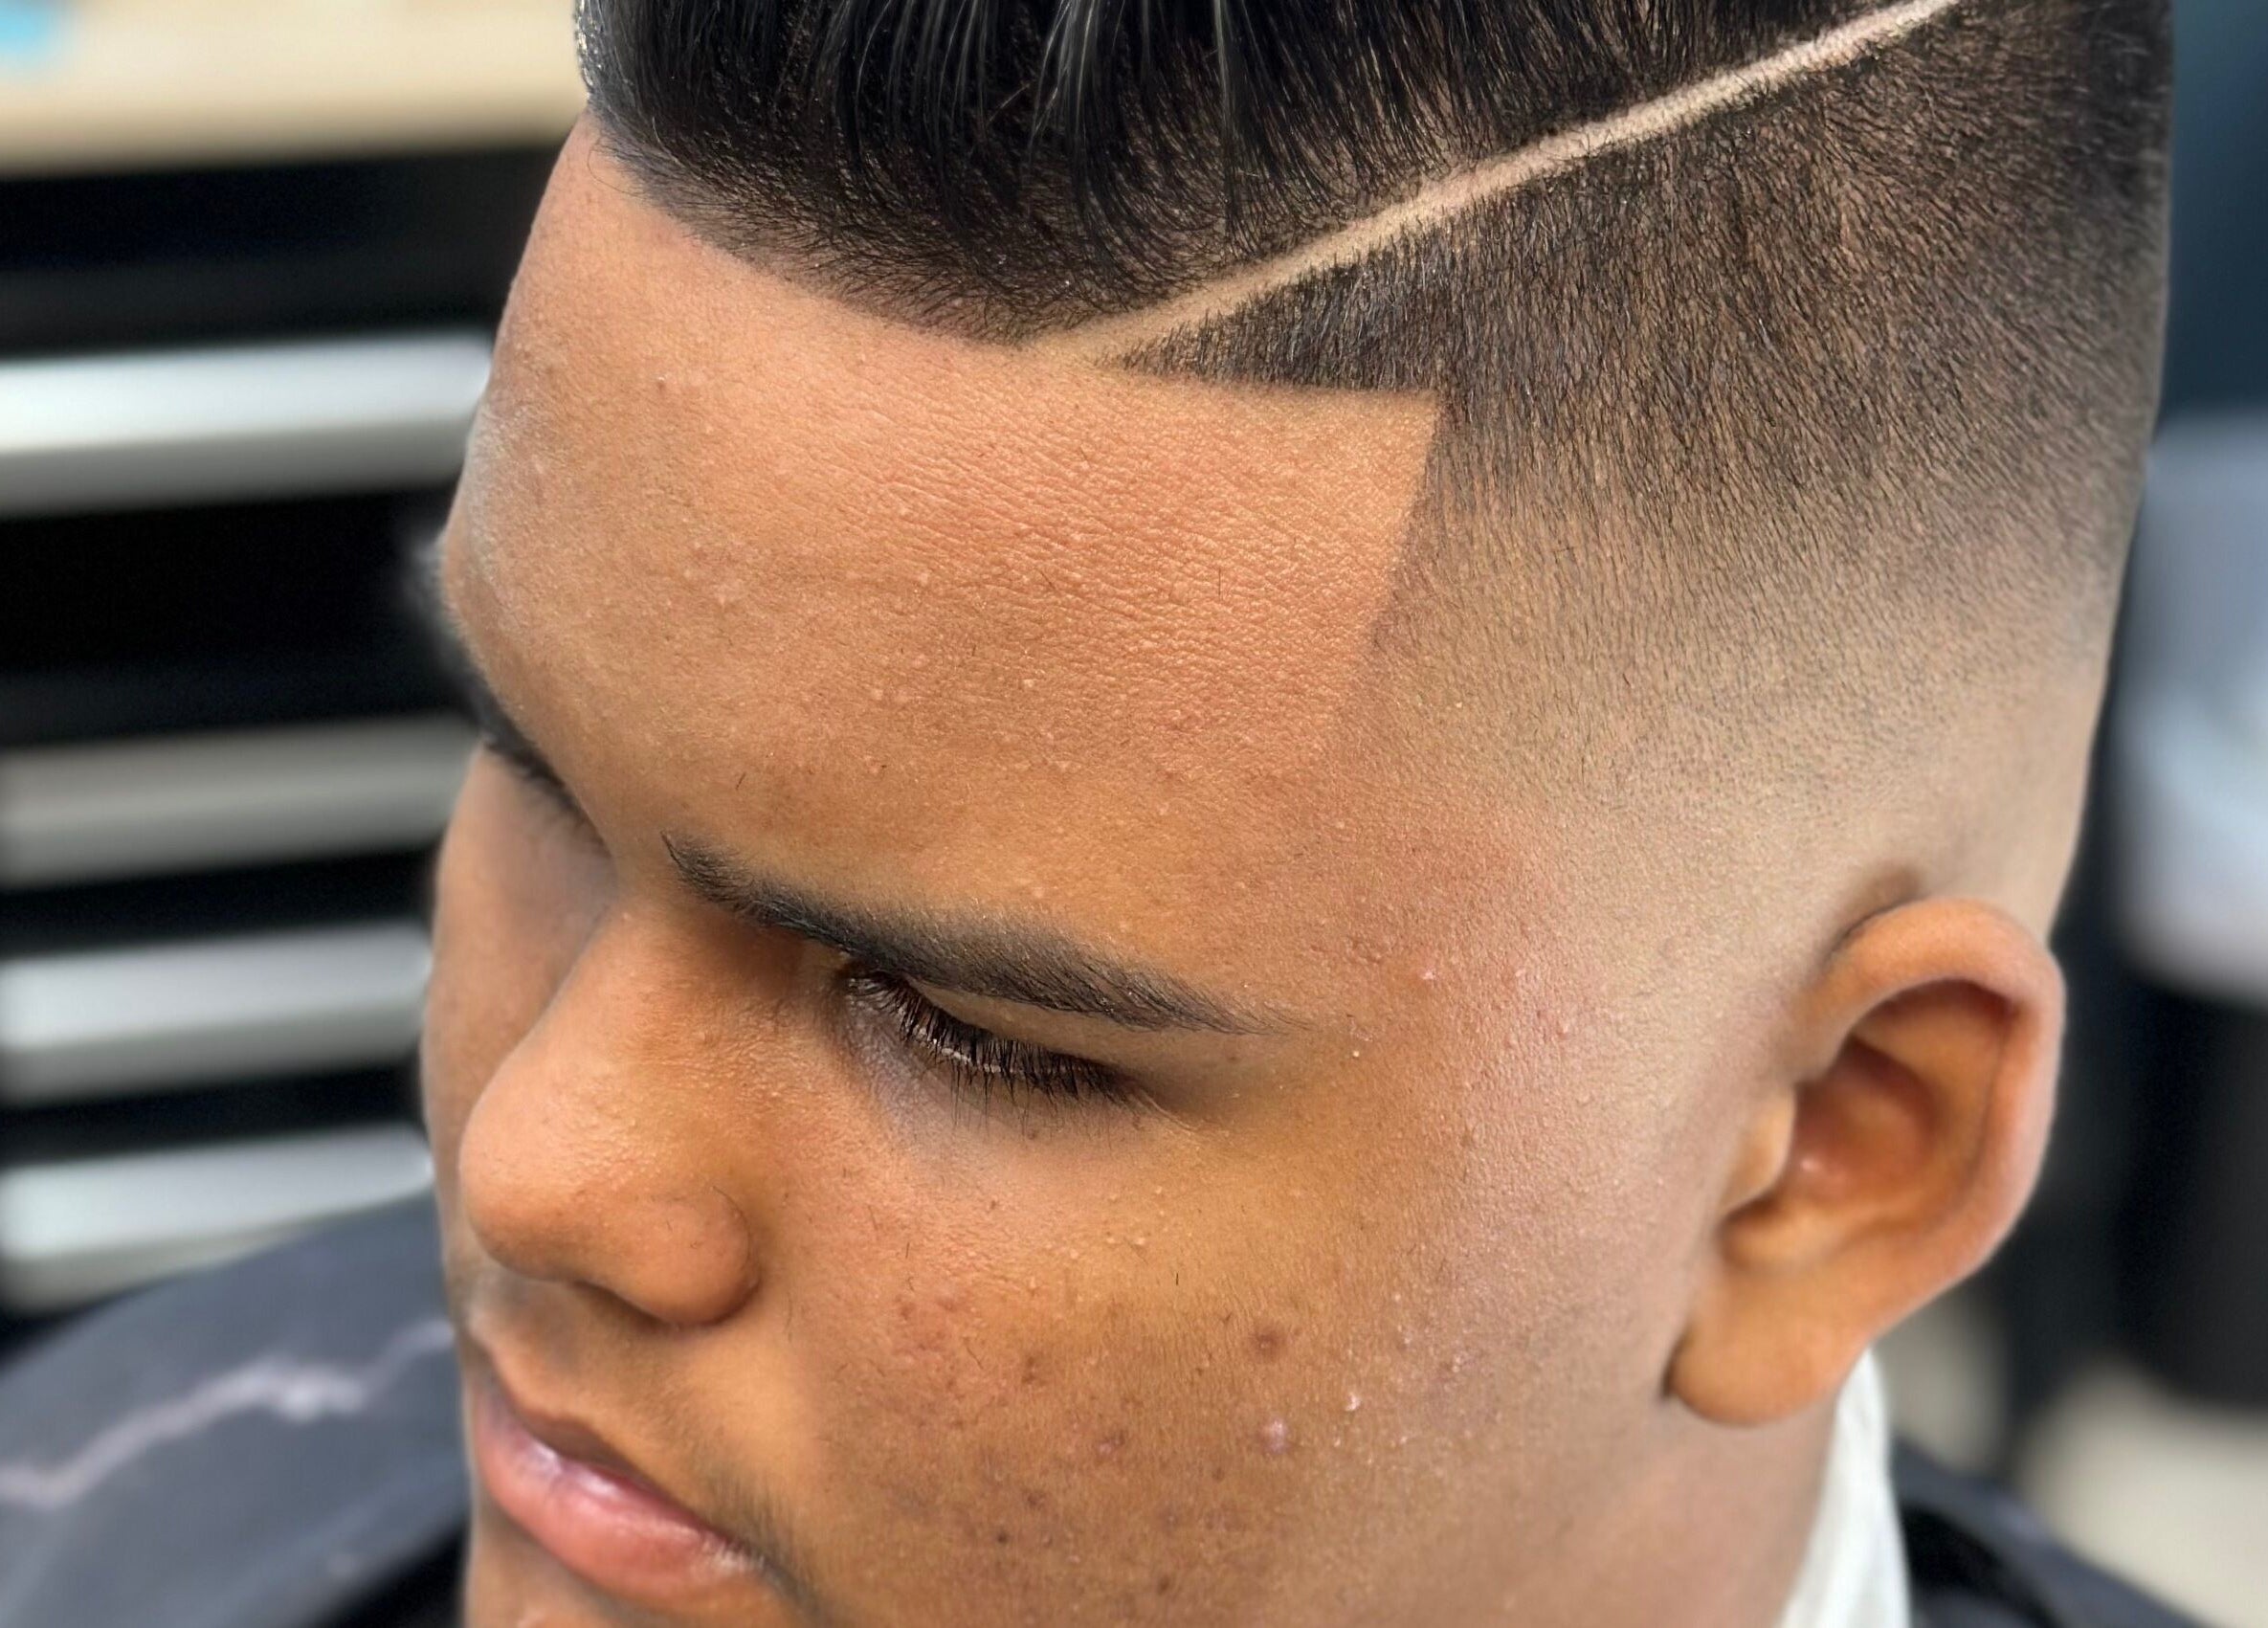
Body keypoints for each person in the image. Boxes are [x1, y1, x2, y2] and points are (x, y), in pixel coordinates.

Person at [0, 1, 2195, 1624]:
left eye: (965, 1026)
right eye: (536, 766)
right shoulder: (89, 1502)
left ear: (1832, 1150)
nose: (529, 1161)